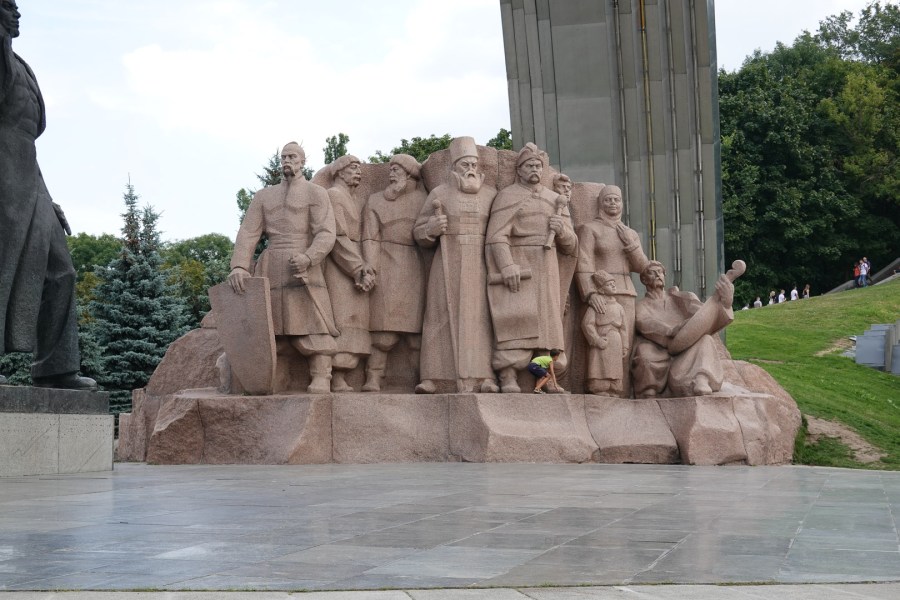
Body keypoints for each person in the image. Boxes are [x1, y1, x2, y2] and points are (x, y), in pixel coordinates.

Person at [0, 1, 95, 389]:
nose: (16, 13)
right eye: (8, 7)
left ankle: (55, 367)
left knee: (62, 270)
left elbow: (29, 141)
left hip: (29, 176)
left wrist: (49, 199)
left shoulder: (23, 66)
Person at [228, 142, 337, 394]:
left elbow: (326, 233)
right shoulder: (263, 196)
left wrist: (309, 257)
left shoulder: (316, 193)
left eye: (293, 156)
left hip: (302, 263)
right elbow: (248, 232)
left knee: (313, 321)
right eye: (284, 157)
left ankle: (321, 374)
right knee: (269, 325)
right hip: (270, 264)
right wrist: (240, 266)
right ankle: (272, 374)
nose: (287, 160)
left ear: (303, 162)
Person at [486, 142, 578, 393]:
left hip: (547, 266)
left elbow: (571, 245)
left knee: (547, 326)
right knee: (516, 321)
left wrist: (562, 231)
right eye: (529, 165)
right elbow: (496, 236)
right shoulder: (507, 196)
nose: (534, 169)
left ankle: (546, 378)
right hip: (520, 263)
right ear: (519, 170)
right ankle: (508, 375)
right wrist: (507, 265)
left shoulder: (555, 200)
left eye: (538, 165)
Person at [413, 137, 497, 393]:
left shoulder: (491, 195)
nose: (470, 169)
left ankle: (484, 377)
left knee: (480, 319)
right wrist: (431, 229)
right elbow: (418, 231)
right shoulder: (439, 194)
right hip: (447, 261)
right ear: (454, 167)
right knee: (439, 316)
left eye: (473, 164)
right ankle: (434, 377)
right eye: (464, 165)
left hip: (480, 263)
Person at [361, 154, 428, 392]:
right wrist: (370, 267)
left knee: (416, 334)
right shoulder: (375, 200)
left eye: (397, 169)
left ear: (409, 174)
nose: (392, 173)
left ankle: (422, 378)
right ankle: (373, 377)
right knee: (383, 332)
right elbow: (370, 237)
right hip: (385, 263)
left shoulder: (423, 199)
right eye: (390, 169)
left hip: (414, 265)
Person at [575, 184, 651, 392]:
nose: (613, 203)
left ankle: (621, 391)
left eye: (616, 199)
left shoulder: (629, 233)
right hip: (600, 292)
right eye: (608, 199)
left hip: (626, 292)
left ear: (622, 203)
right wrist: (590, 293)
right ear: (600, 203)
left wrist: (631, 244)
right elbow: (583, 263)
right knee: (600, 342)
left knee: (623, 344)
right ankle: (597, 387)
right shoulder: (590, 229)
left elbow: (642, 267)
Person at [631, 261, 733, 397]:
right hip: (660, 348)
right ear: (644, 280)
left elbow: (703, 315)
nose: (658, 275)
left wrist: (726, 303)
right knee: (644, 352)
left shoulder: (680, 298)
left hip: (686, 346)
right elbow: (644, 323)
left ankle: (701, 380)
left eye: (660, 272)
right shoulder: (641, 306)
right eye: (652, 273)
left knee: (706, 340)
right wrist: (670, 330)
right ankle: (649, 391)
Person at [323, 154, 372, 392]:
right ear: (340, 172)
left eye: (359, 168)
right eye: (353, 168)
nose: (358, 172)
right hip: (340, 267)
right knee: (342, 321)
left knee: (355, 322)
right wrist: (357, 268)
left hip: (356, 262)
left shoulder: (353, 199)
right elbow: (337, 237)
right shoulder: (333, 195)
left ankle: (344, 373)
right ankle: (335, 375)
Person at [581, 271, 627, 396]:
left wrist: (625, 346)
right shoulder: (597, 306)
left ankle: (614, 388)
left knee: (615, 368)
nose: (613, 285)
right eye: (608, 284)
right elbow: (587, 324)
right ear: (601, 289)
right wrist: (596, 339)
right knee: (599, 367)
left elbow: (623, 328)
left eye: (613, 283)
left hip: (616, 341)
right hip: (602, 339)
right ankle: (599, 388)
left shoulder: (619, 307)